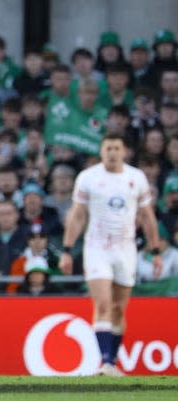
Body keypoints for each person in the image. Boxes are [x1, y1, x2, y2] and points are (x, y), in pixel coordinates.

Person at [59, 133, 162, 376]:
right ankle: (105, 362)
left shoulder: (136, 177)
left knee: (118, 308)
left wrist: (155, 250)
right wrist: (66, 250)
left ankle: (112, 362)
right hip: (97, 248)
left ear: (124, 151)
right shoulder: (88, 178)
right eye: (108, 148)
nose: (112, 152)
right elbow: (77, 215)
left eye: (117, 148)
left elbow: (147, 217)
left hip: (125, 249)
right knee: (103, 302)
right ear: (102, 150)